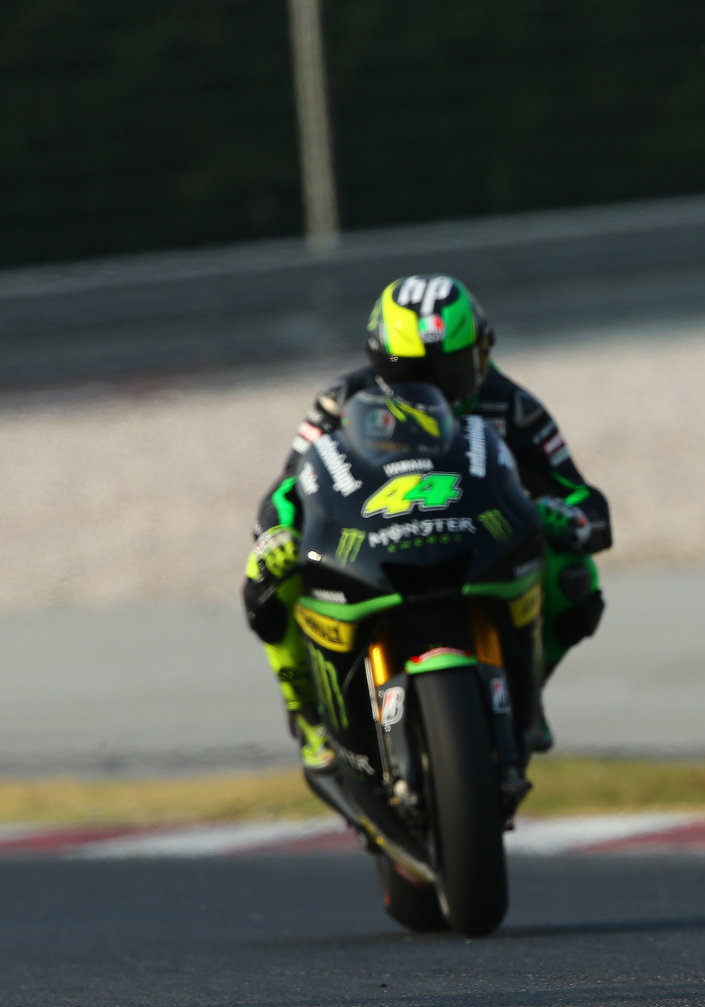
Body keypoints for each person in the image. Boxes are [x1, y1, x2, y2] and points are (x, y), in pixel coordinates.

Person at [242, 273, 611, 770]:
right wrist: (277, 534)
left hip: (476, 549)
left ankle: (529, 689)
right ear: (380, 364)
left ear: (482, 352)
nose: (432, 386)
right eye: (412, 372)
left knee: (575, 575)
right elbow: (289, 486)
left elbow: (586, 502)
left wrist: (570, 520)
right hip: (373, 548)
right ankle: (307, 711)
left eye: (449, 368)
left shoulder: (514, 408)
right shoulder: (340, 402)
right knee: (266, 577)